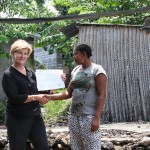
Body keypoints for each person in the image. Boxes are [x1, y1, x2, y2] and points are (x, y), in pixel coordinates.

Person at [1, 39, 65, 150]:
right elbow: (15, 98)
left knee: (43, 147)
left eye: (25, 53)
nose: (23, 56)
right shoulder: (8, 75)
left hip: (35, 117)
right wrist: (36, 98)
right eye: (19, 53)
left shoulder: (30, 71)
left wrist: (56, 82)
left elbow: (38, 90)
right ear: (13, 53)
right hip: (18, 119)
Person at [46, 43, 107, 150]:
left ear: (84, 54)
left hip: (89, 117)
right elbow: (67, 93)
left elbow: (102, 95)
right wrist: (49, 96)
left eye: (76, 54)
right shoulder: (75, 70)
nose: (74, 57)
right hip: (73, 117)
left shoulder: (97, 70)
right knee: (76, 147)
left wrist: (97, 118)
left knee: (92, 147)